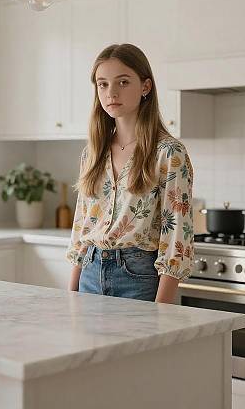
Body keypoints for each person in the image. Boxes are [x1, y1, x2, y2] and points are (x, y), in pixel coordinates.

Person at [66, 43, 194, 304]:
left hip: (139, 277)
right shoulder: (92, 154)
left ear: (145, 87)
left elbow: (177, 239)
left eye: (123, 82)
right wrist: (69, 298)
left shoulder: (168, 153)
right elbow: (82, 226)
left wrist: (162, 310)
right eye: (102, 84)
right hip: (89, 272)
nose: (111, 92)